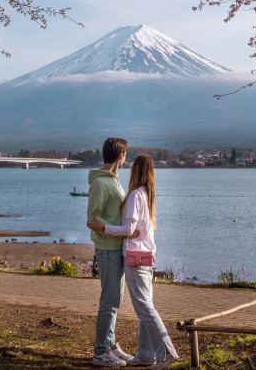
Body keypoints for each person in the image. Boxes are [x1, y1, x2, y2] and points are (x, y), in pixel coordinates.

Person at [88, 155, 179, 370]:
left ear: (134, 170)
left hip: (134, 259)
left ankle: (167, 351)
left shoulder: (134, 196)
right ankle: (147, 355)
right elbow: (140, 231)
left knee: (144, 309)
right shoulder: (147, 194)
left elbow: (129, 231)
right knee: (146, 307)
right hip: (146, 257)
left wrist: (104, 228)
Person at [87, 137, 137, 367]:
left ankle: (111, 344)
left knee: (116, 299)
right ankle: (100, 352)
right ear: (120, 155)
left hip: (116, 247)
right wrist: (116, 232)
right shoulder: (101, 183)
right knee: (109, 301)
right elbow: (93, 219)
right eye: (125, 154)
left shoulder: (113, 180)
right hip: (107, 249)